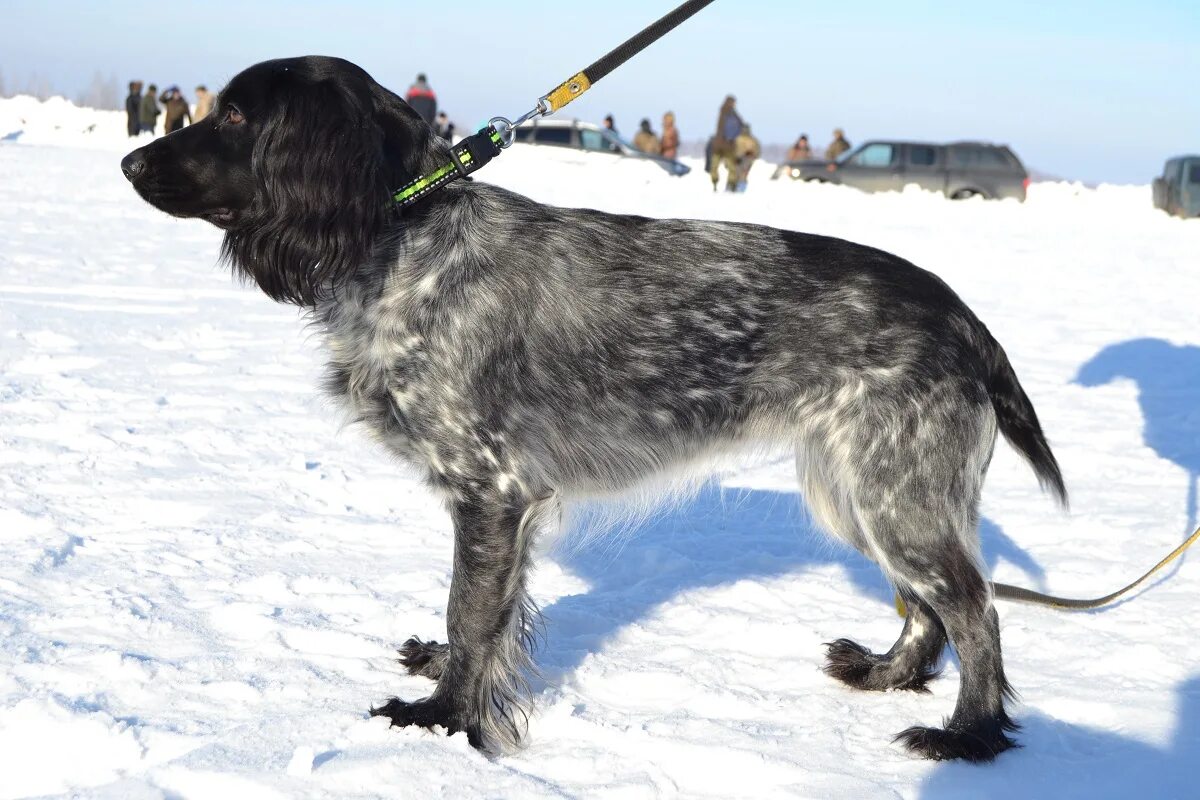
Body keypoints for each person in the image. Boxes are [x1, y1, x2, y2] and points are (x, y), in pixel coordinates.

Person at [710, 95, 743, 191]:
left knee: (715, 166)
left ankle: (715, 184)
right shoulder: (731, 113)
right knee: (731, 166)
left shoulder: (723, 111)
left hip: (718, 144)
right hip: (727, 145)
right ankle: (731, 185)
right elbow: (739, 126)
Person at [734, 124, 761, 192]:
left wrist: (753, 155)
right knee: (736, 173)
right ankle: (735, 187)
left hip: (748, 159)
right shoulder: (738, 139)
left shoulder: (752, 140)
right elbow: (733, 149)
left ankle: (741, 188)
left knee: (744, 173)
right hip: (738, 159)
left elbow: (757, 149)